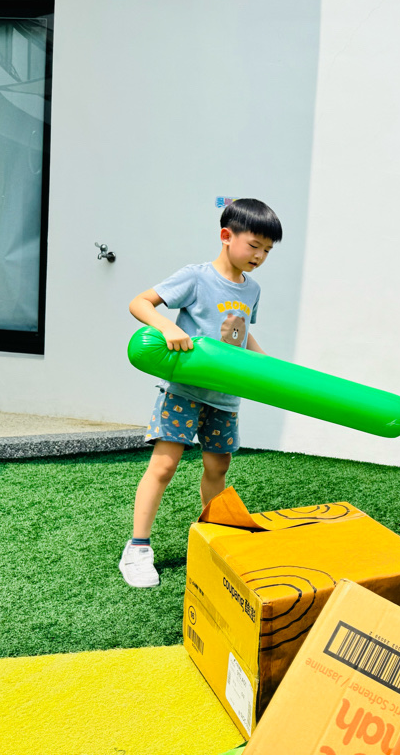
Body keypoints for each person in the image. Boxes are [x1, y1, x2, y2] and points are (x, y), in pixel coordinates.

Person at [119, 198, 282, 588]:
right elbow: (140, 303)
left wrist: (265, 364)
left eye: (267, 250)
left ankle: (214, 537)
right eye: (254, 245)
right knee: (164, 466)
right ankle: (137, 548)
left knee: (218, 467)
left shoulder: (252, 289)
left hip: (225, 397)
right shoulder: (197, 277)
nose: (259, 256)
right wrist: (166, 327)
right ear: (226, 236)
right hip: (185, 392)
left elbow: (241, 333)